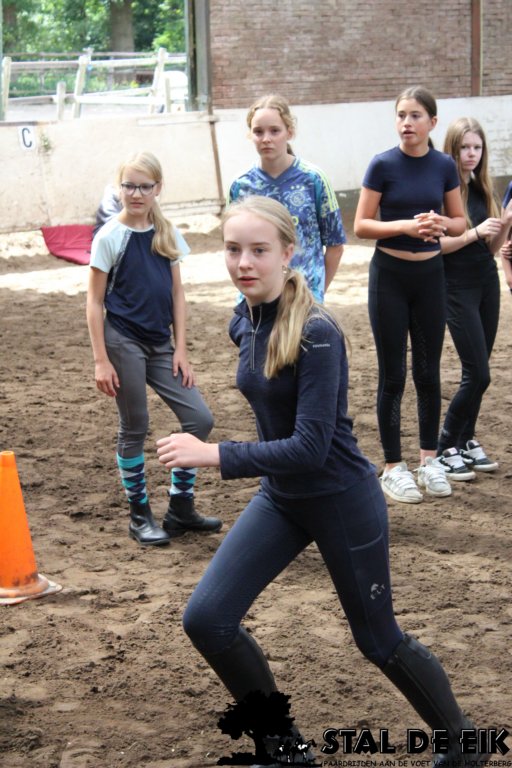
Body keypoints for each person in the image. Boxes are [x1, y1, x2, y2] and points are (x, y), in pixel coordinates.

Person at [156, 196, 486, 768]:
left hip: (341, 499)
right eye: (233, 250)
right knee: (207, 620)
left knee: (378, 641)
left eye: (259, 250)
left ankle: (464, 746)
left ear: (288, 252)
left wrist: (213, 454)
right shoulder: (244, 319)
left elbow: (310, 447)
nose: (244, 263)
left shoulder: (318, 332)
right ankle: (285, 749)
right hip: (282, 499)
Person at [86, 151, 221, 546]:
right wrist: (100, 359)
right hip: (122, 340)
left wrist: (181, 349)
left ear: (158, 188)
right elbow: (94, 301)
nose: (136, 193)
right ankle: (139, 514)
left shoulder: (167, 232)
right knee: (135, 425)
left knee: (199, 418)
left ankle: (180, 507)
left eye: (145, 186)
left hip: (161, 344)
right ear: (119, 187)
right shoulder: (109, 236)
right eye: (129, 185)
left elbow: (177, 293)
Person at [354, 85, 467, 504]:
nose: (407, 122)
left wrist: (440, 223)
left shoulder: (444, 165)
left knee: (428, 372)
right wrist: (404, 226)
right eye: (401, 115)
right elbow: (361, 225)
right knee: (393, 375)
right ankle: (392, 466)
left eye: (415, 115)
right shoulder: (382, 164)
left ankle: (429, 460)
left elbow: (460, 221)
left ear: (432, 122)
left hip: (430, 277)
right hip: (390, 276)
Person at [437, 118, 512, 472]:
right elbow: (439, 246)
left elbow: (492, 249)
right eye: (464, 147)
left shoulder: (484, 189)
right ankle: (444, 445)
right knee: (478, 373)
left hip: (486, 284)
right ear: (452, 149)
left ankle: (466, 439)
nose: (471, 154)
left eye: (477, 147)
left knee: (481, 370)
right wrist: (474, 232)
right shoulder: (443, 191)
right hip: (455, 286)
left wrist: (506, 223)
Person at [227, 93, 346, 303]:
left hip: (304, 300)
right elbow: (233, 244)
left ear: (289, 132)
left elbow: (335, 244)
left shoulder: (314, 179)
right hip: (256, 303)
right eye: (258, 131)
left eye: (274, 131)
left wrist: (316, 294)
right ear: (250, 135)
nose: (266, 139)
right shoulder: (240, 185)